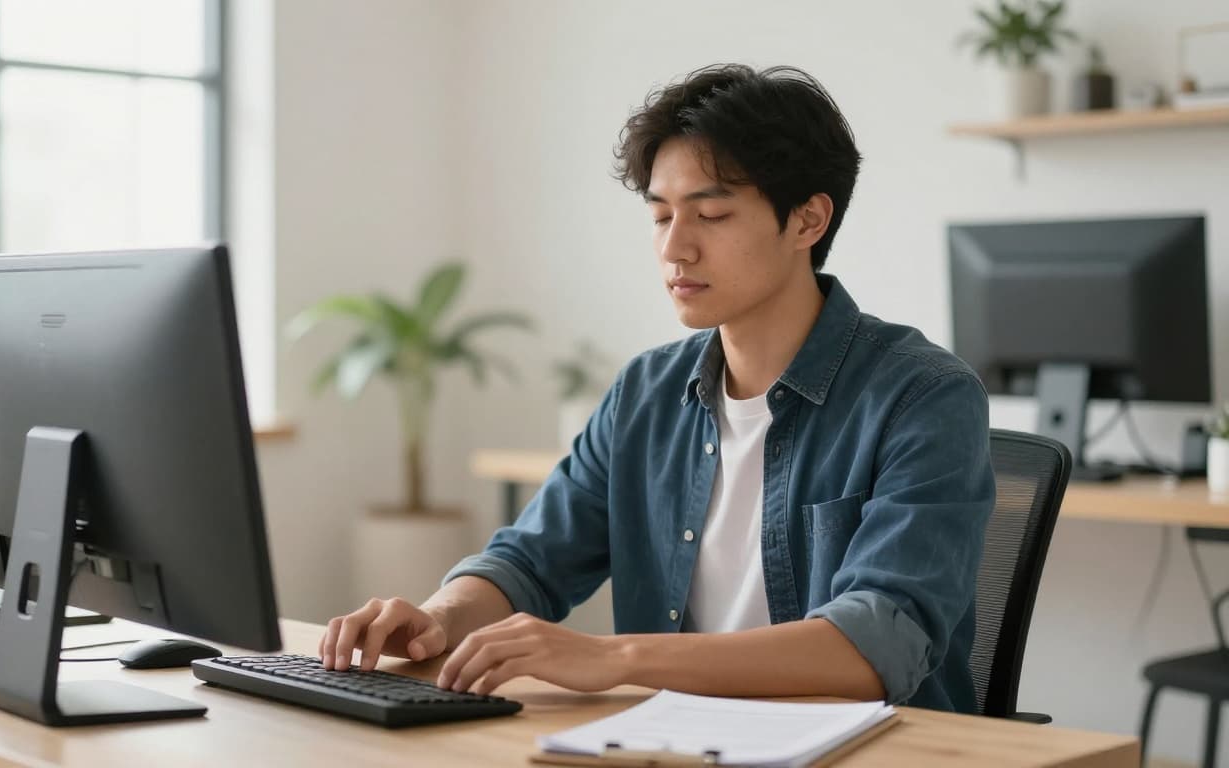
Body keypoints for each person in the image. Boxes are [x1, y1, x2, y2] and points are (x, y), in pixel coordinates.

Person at [318, 63, 994, 713]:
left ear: (807, 221)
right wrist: (438, 620)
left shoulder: (923, 396)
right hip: (669, 741)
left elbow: (872, 646)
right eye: (661, 215)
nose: (675, 248)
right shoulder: (647, 389)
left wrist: (619, 659)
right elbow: (529, 561)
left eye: (712, 215)